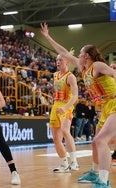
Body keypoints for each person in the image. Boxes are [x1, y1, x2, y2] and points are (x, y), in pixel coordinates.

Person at [40, 22, 116, 188]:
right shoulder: (84, 68)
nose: (78, 55)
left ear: (87, 56)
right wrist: (47, 37)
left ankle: (104, 181)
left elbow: (114, 73)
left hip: (115, 102)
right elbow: (63, 52)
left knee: (101, 140)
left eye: (81, 53)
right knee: (96, 142)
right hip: (105, 108)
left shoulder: (97, 66)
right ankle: (95, 172)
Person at [48, 54, 79, 173]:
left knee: (65, 130)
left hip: (67, 105)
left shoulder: (71, 77)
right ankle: (64, 163)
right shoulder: (55, 75)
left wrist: (65, 107)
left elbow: (75, 96)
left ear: (67, 62)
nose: (58, 61)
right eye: (56, 60)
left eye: (60, 59)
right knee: (56, 138)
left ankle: (74, 162)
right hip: (56, 105)